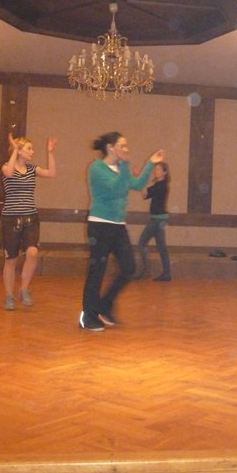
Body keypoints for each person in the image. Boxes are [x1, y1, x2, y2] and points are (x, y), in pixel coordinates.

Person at [79, 132, 165, 332]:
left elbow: (137, 184)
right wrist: (126, 165)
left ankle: (105, 304)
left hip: (118, 226)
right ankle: (88, 315)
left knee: (129, 267)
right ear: (111, 147)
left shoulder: (119, 168)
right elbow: (116, 190)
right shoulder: (97, 168)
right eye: (122, 146)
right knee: (97, 272)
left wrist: (151, 163)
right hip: (100, 225)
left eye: (127, 146)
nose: (126, 149)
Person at [0, 132, 57, 310]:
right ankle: (9, 296)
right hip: (10, 219)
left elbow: (51, 173)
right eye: (29, 148)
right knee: (11, 259)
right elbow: (9, 173)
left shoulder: (32, 169)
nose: (32, 152)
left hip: (31, 217)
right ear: (19, 150)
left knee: (32, 253)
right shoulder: (6, 167)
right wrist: (14, 151)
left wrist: (50, 152)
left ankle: (24, 289)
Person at [134, 161, 172, 282]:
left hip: (157, 220)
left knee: (142, 243)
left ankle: (147, 271)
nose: (155, 171)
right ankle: (166, 273)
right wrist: (139, 179)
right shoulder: (159, 184)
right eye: (155, 169)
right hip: (159, 219)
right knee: (161, 247)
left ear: (164, 172)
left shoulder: (162, 185)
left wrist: (139, 177)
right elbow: (145, 195)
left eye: (158, 169)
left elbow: (145, 194)